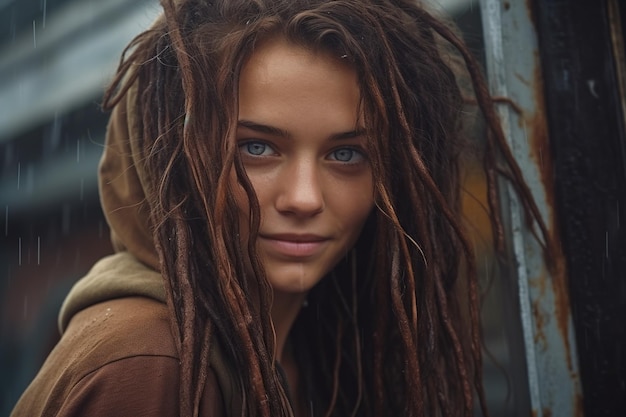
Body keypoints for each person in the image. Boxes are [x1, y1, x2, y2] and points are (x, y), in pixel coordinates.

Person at [11, 0, 551, 416]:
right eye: (257, 148)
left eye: (346, 154)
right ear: (173, 161)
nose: (304, 198)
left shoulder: (318, 346)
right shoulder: (154, 361)